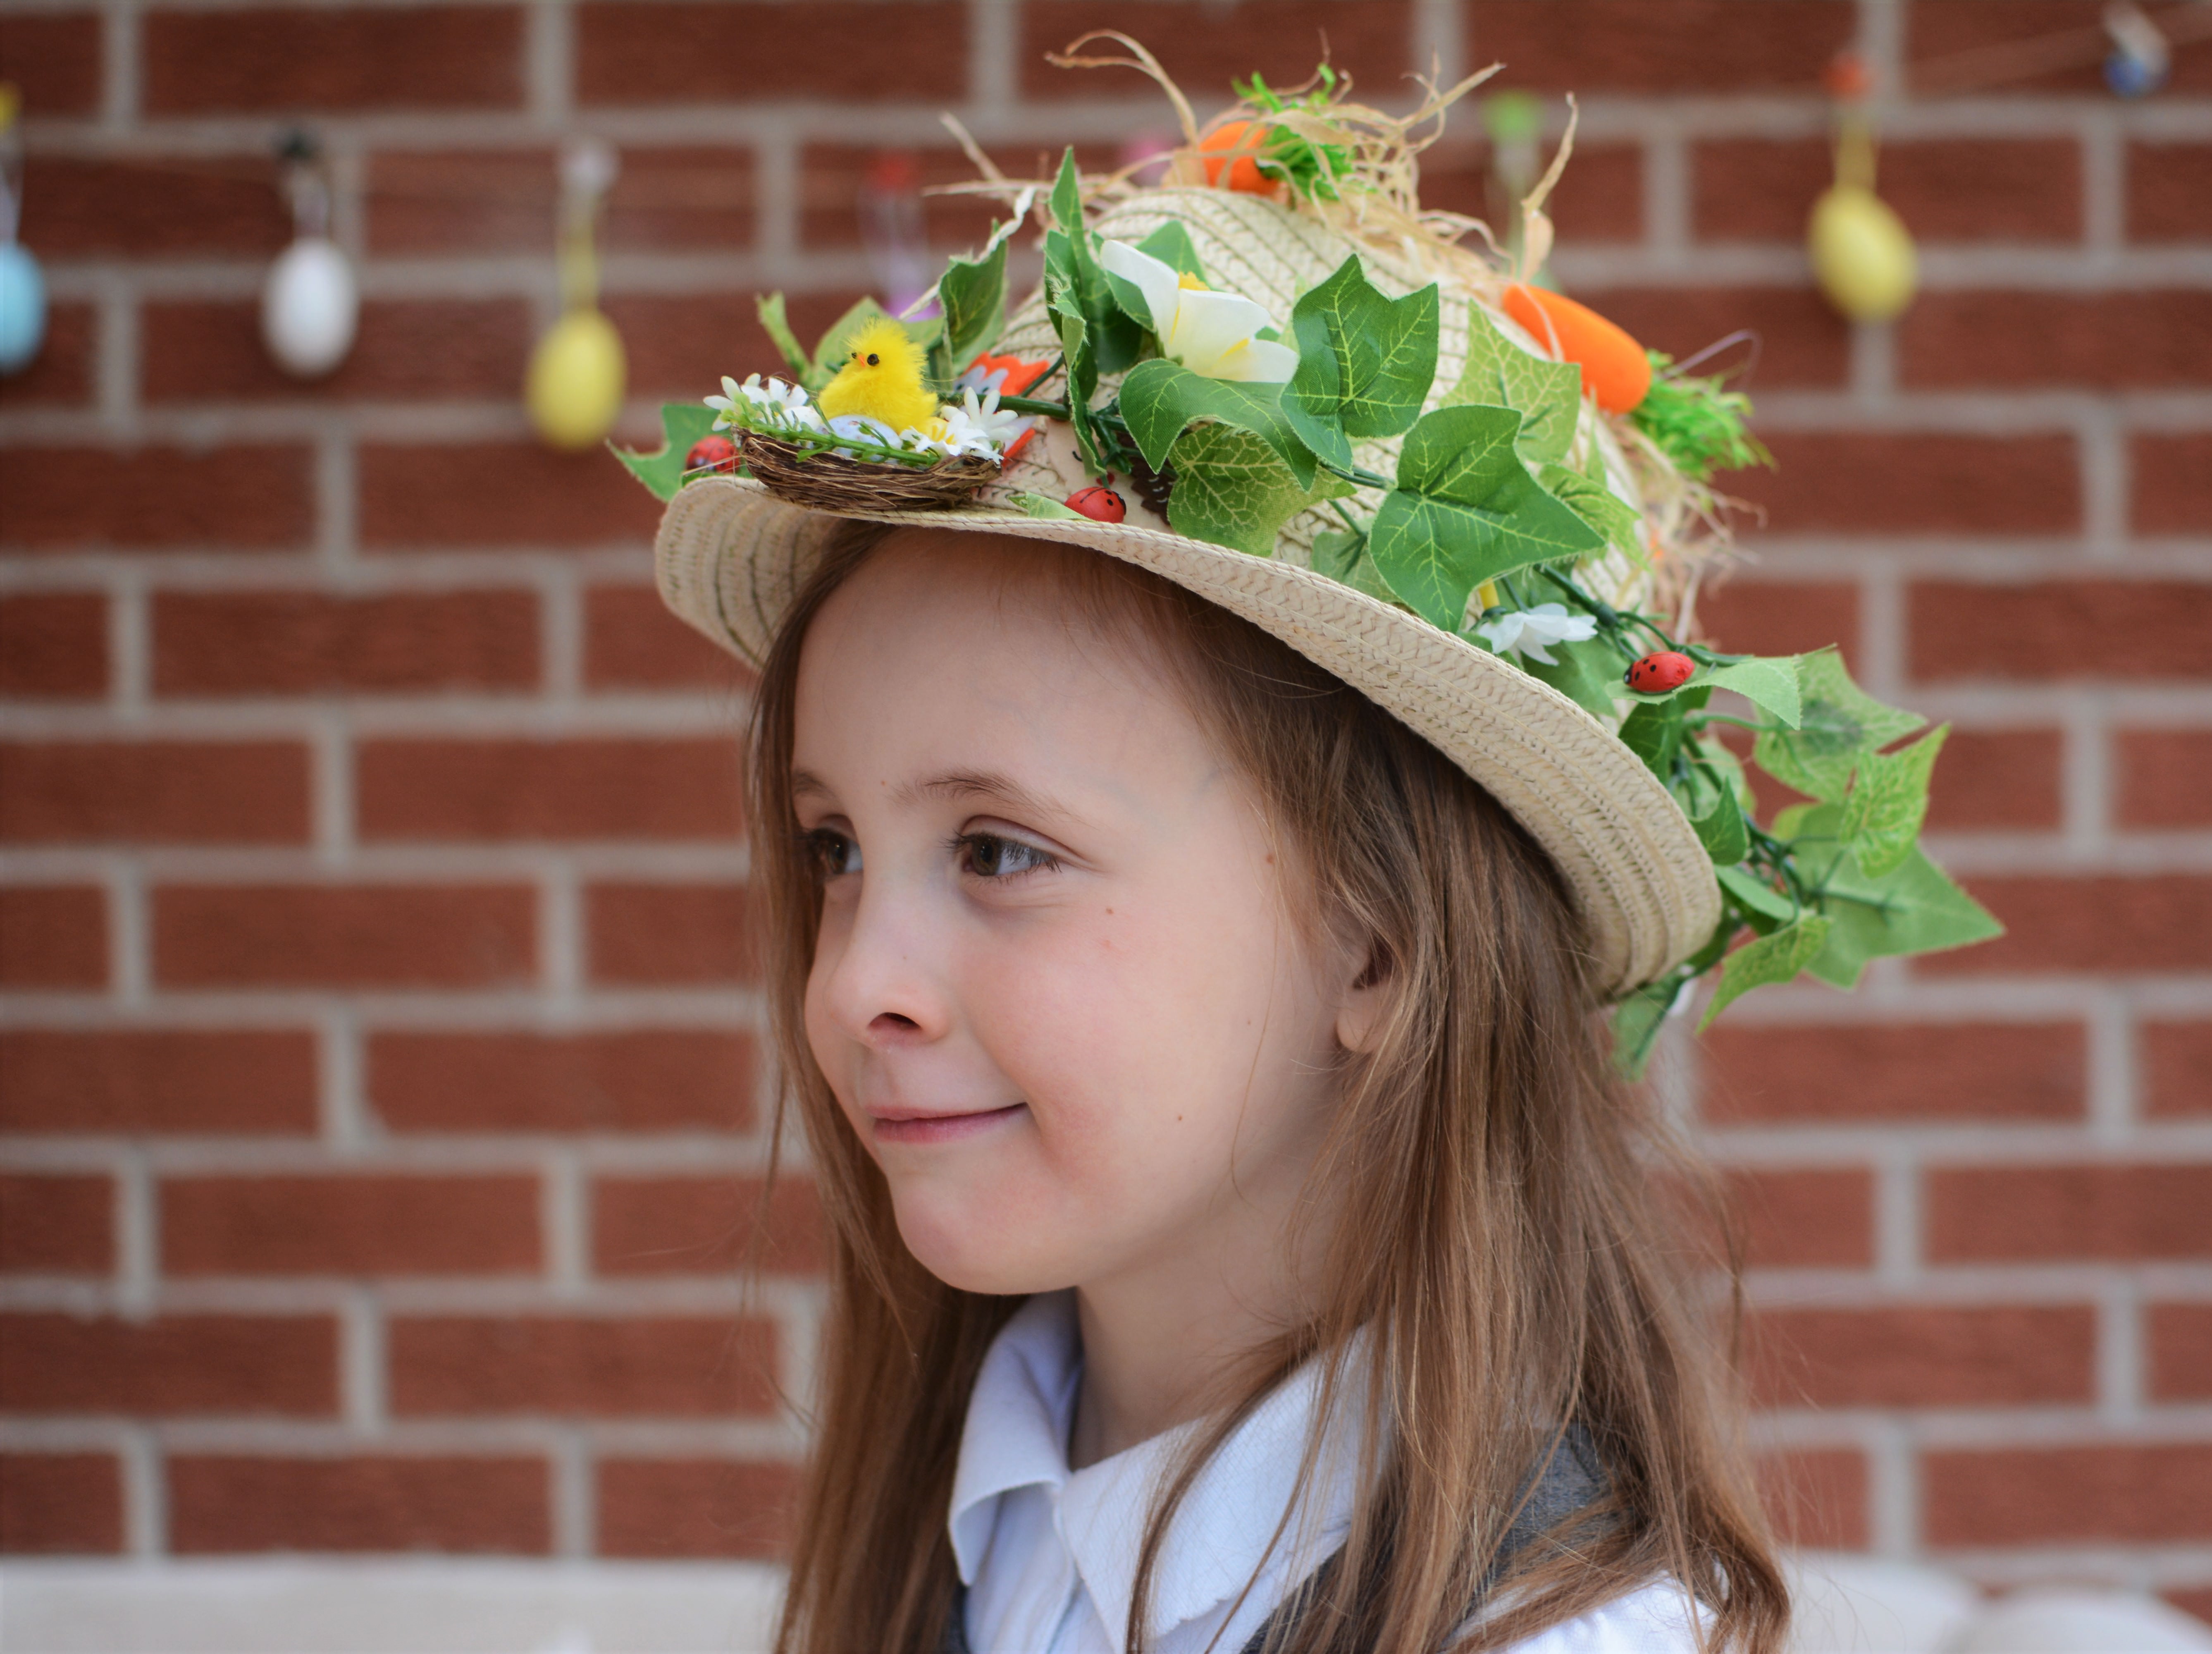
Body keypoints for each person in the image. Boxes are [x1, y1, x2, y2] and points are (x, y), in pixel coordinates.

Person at [629, 58, 1978, 1654]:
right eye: (836, 847)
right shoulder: (977, 1522)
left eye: (999, 851)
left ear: (1379, 945)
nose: (857, 982)